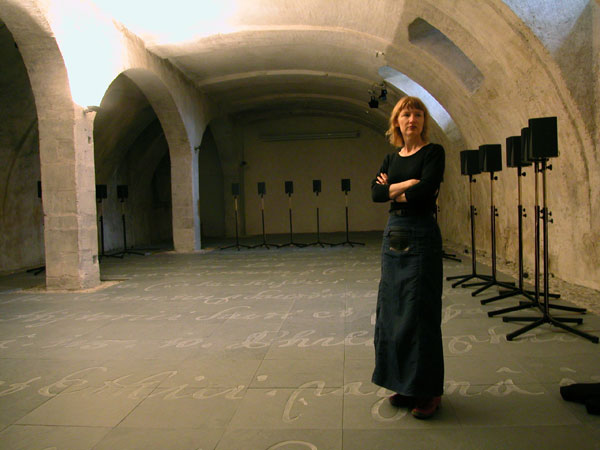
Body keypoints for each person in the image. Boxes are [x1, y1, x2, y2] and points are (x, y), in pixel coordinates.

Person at [370, 96, 445, 419]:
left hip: (421, 233)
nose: (411, 119)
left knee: (420, 310)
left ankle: (428, 390)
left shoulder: (433, 153)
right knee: (394, 308)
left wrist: (395, 189)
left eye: (417, 114)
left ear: (423, 121)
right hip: (394, 233)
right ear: (396, 122)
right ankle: (404, 383)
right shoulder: (390, 158)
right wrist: (405, 184)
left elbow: (426, 190)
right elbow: (374, 194)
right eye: (405, 114)